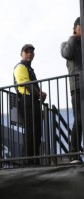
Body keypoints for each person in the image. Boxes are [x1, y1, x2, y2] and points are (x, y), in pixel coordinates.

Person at [13, 44, 47, 165]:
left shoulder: (29, 68)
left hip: (33, 101)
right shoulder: (20, 66)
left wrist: (39, 94)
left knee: (37, 132)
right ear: (21, 54)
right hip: (26, 101)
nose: (29, 54)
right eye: (26, 52)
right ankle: (27, 160)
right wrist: (40, 94)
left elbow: (31, 85)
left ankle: (34, 159)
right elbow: (26, 84)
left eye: (31, 52)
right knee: (30, 131)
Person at [61, 17, 83, 163]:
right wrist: (74, 37)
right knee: (80, 119)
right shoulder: (69, 43)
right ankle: (73, 153)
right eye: (80, 26)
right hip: (77, 87)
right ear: (75, 28)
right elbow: (67, 54)